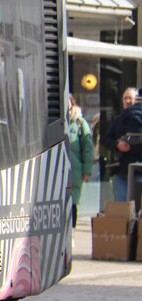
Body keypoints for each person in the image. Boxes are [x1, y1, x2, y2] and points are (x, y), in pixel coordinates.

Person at [106, 87, 142, 204]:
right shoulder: (118, 120)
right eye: (125, 98)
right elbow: (107, 140)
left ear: (137, 100)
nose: (127, 101)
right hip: (121, 172)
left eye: (130, 98)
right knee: (123, 208)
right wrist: (118, 144)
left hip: (139, 170)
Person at [66, 95, 94, 226]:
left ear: (71, 102)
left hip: (74, 170)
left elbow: (88, 148)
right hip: (58, 170)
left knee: (72, 202)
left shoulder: (80, 123)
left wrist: (87, 171)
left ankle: (71, 234)